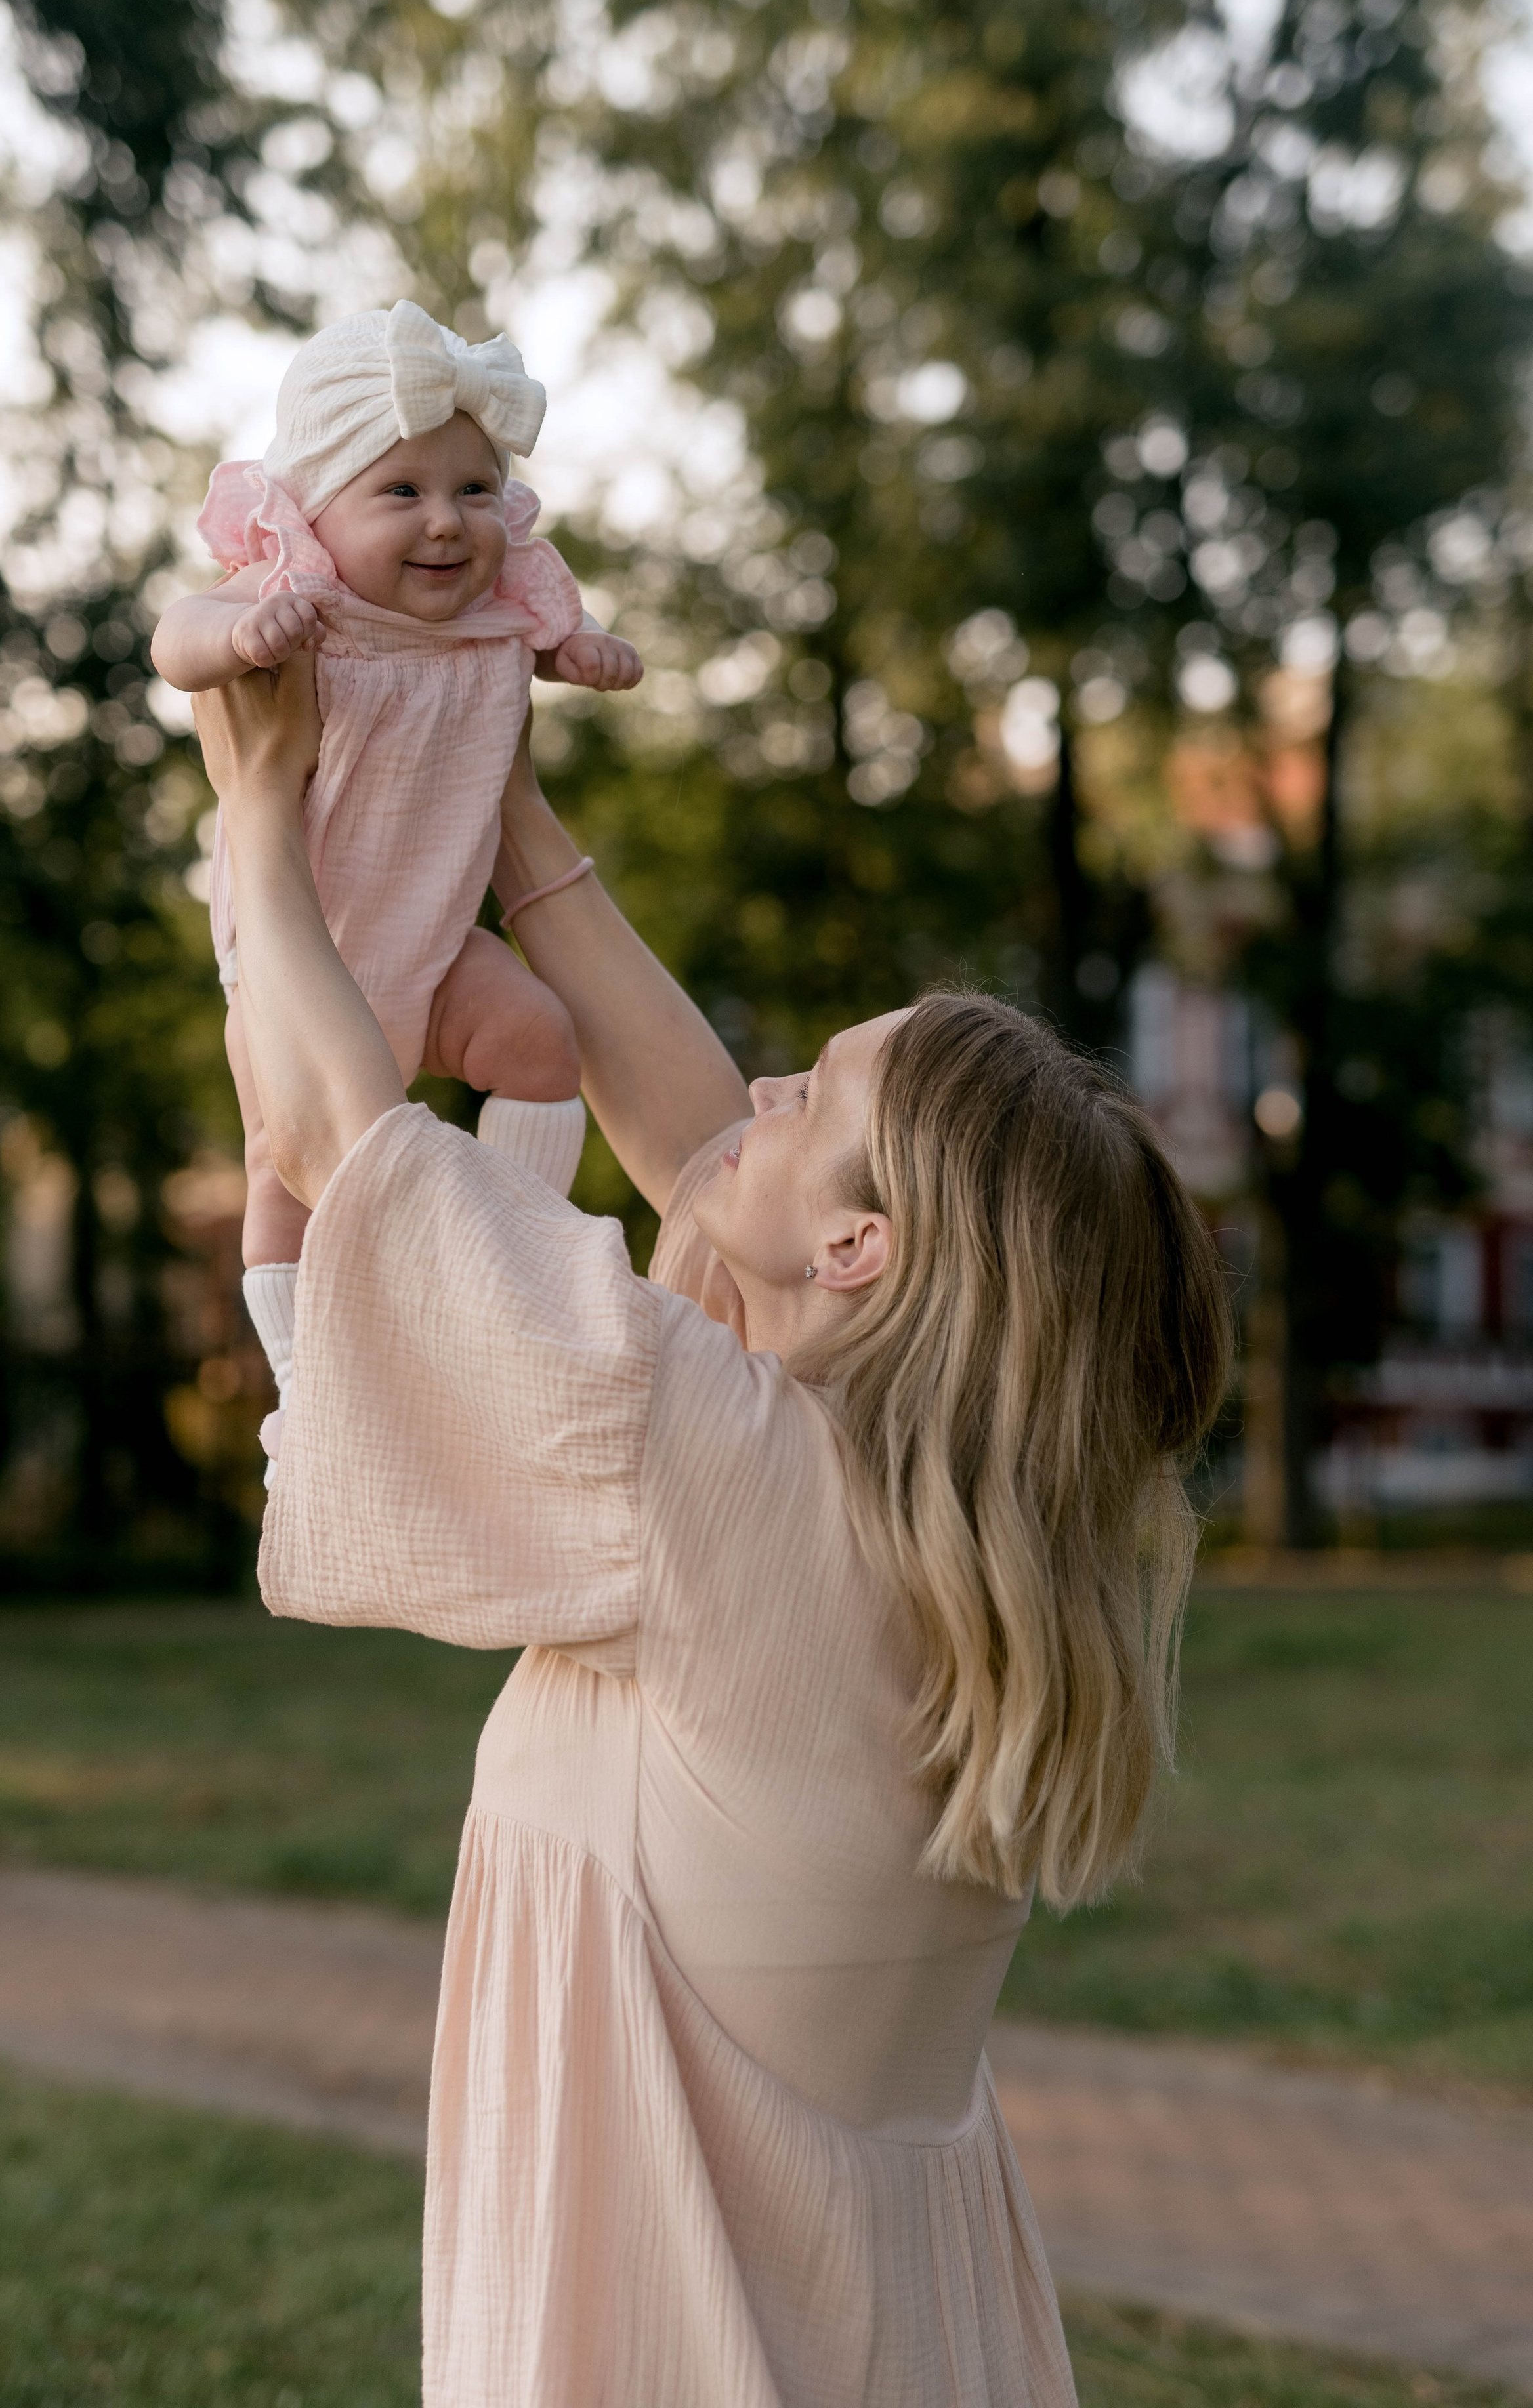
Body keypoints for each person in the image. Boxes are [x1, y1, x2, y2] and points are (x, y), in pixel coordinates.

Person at [191, 655, 1232, 2408]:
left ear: (862, 1259)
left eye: (811, 1097)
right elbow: (698, 1153)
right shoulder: (990, 1530)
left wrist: (257, 813)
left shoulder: (718, 1472)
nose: (760, 1097)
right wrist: (489, 787)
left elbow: (334, 1143)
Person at [152, 301, 641, 1440]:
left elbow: (550, 636)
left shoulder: (505, 604)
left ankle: (509, 1273)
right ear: (315, 509)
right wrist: (236, 641)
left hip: (431, 944)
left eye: (475, 490)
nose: (446, 523)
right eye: (402, 492)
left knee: (538, 1040)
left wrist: (582, 651)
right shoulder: (298, 596)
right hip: (295, 961)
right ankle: (306, 1389)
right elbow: (180, 633)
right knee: (282, 1171)